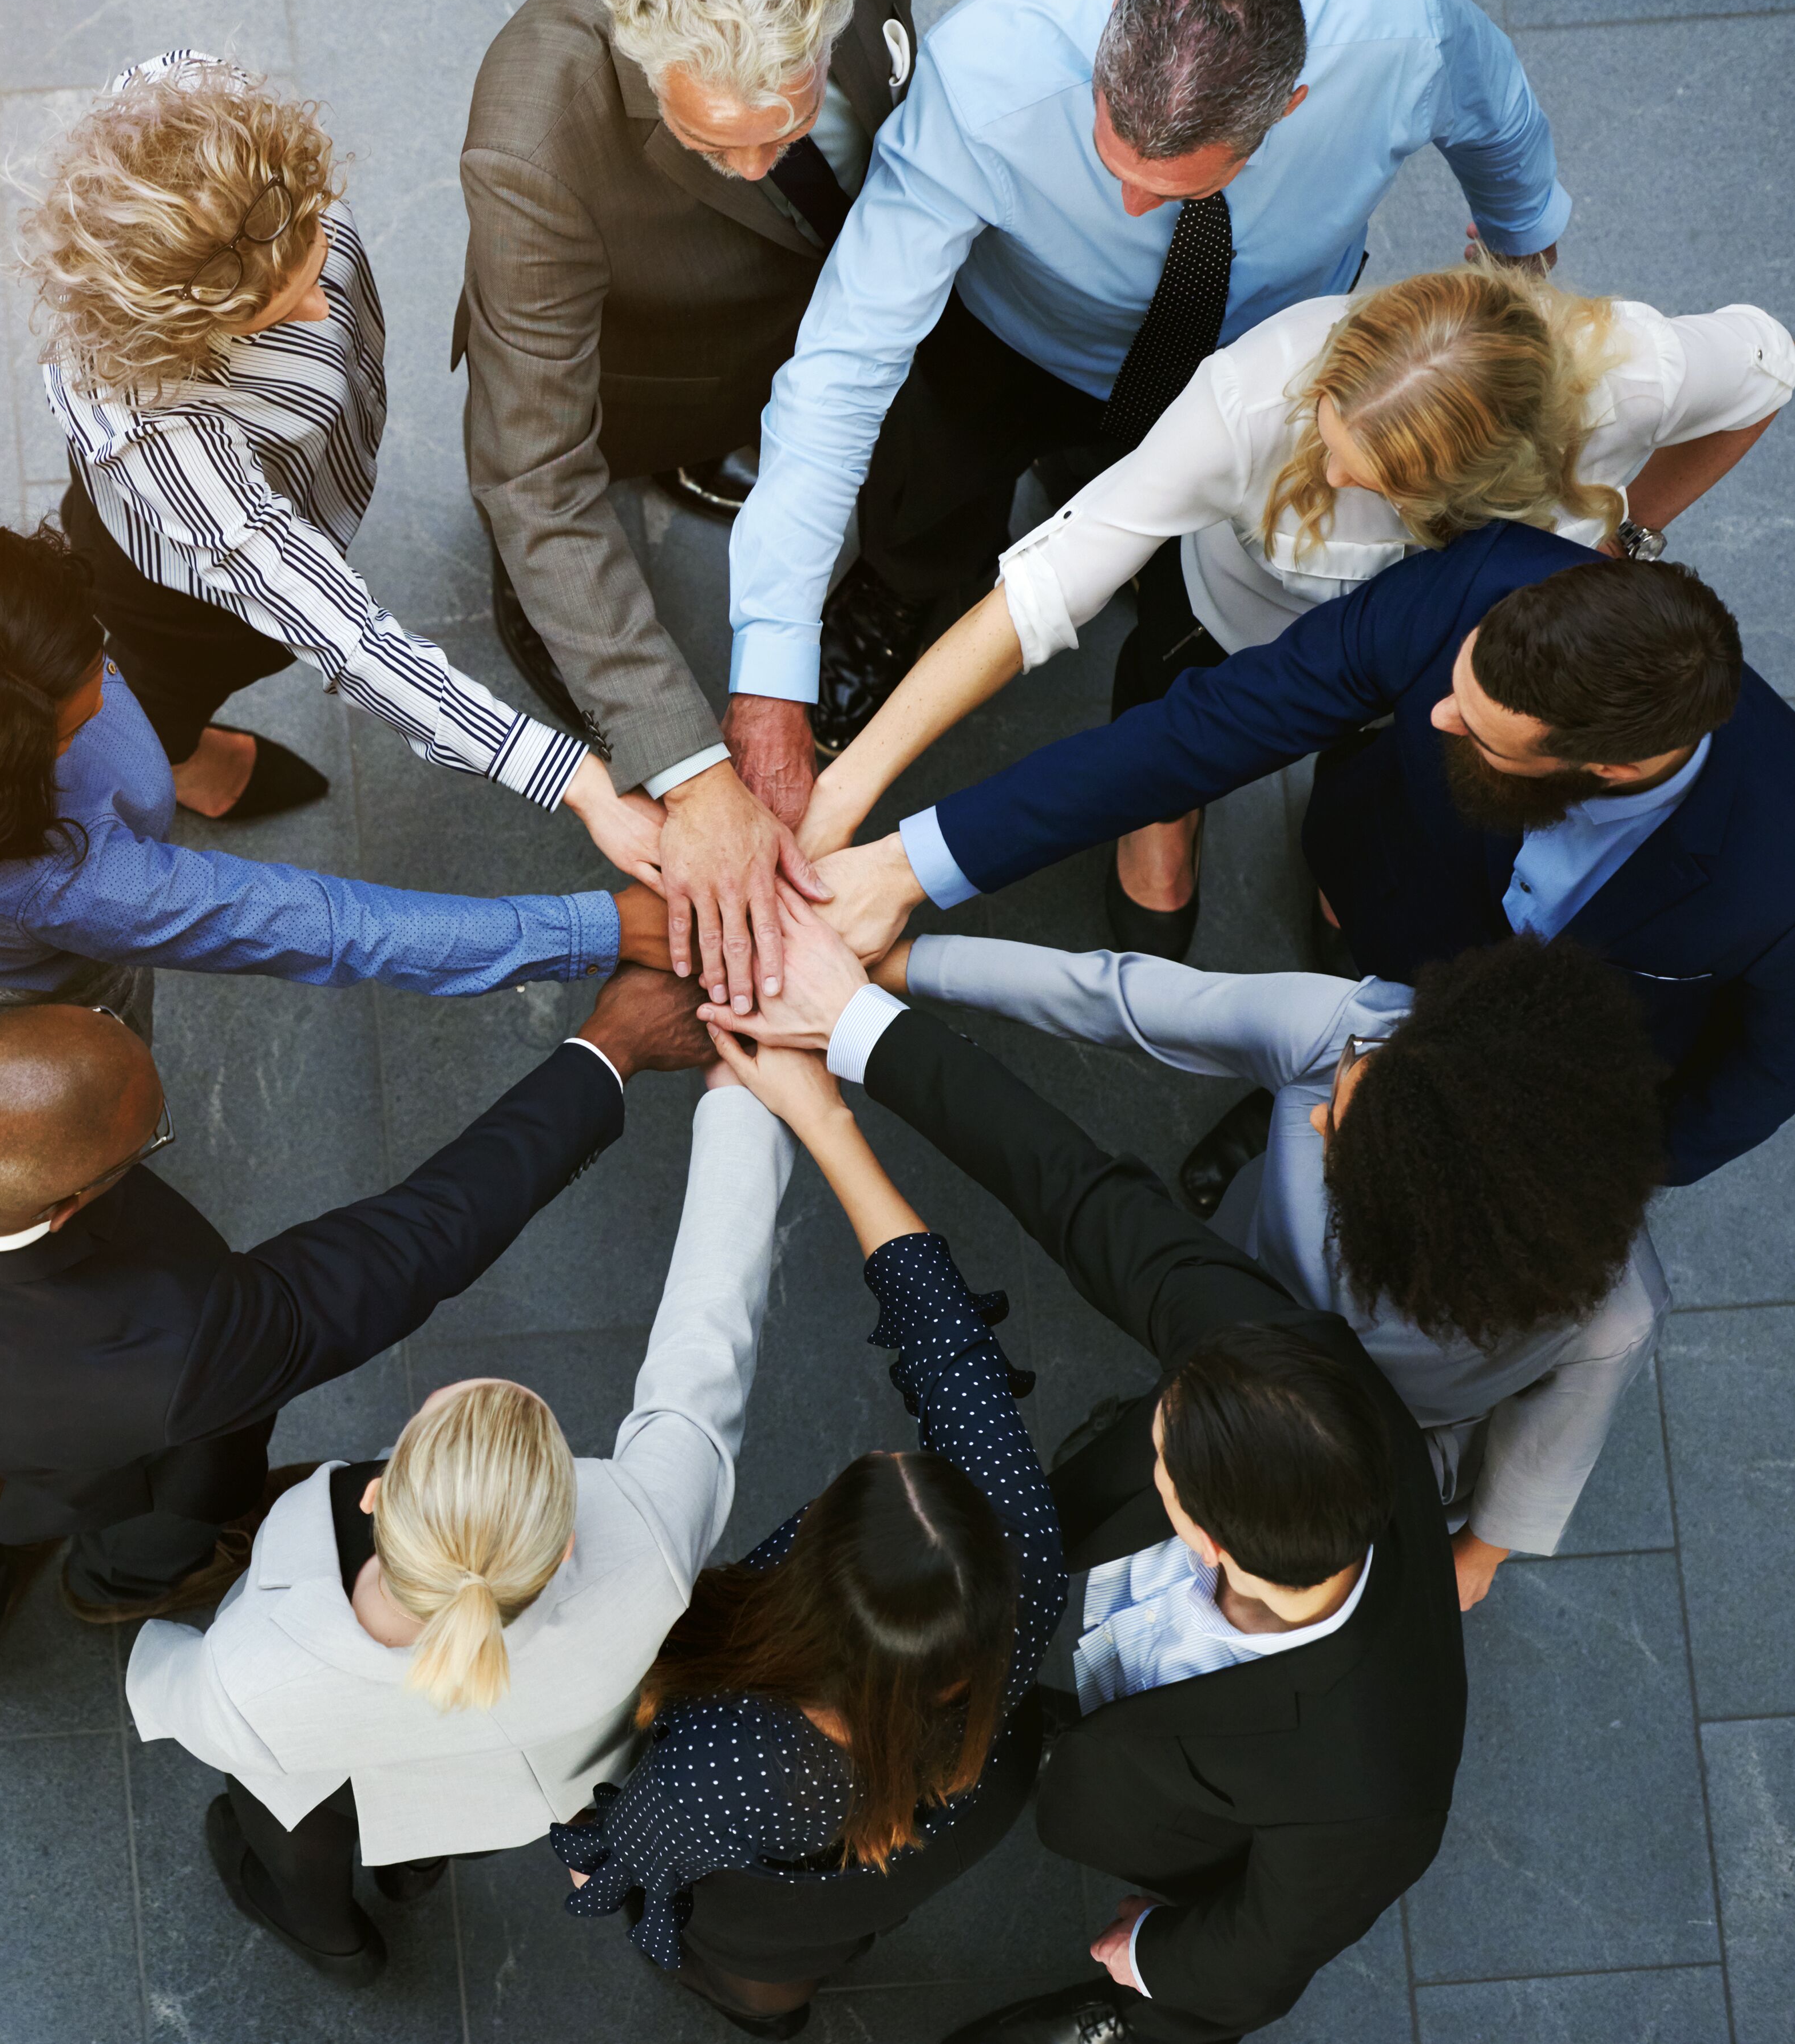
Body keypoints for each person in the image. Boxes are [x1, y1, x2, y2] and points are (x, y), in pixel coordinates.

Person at [706, 906, 1465, 2044]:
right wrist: (855, 1025)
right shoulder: (1297, 1366)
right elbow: (1082, 1194)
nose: (1136, 1426)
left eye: (1154, 1454)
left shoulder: (1368, 1788)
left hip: (1164, 1843)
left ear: (1206, 1538)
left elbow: (1264, 1948)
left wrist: (1151, 1954)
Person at [720, 0, 1572, 863]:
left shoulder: (1403, 25)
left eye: (1166, 191)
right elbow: (842, 365)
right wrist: (769, 667)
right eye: (1114, 166)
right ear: (1103, 58)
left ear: (1287, 106)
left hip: (1263, 353)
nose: (1130, 210)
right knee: (931, 485)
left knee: (1204, 554)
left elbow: (1500, 118)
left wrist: (1521, 251)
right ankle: (904, 589)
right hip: (1016, 333)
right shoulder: (983, 76)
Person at [0, 970, 706, 1693]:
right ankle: (120, 1590)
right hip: (83, 1481)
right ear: (69, 1206)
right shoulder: (176, 1341)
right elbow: (415, 1244)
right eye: (150, 1138)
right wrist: (607, 1049)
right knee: (157, 1524)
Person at [798, 265, 1789, 955]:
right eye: (1328, 444)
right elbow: (1046, 588)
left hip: (1465, 682)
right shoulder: (1250, 398)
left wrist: (1631, 539)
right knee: (1167, 730)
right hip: (1238, 640)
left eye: (1372, 483)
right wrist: (847, 798)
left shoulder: (1630, 372)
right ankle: (1163, 823)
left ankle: (1347, 866)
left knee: (1397, 806)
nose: (1327, 474)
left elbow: (1765, 367)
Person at [817, 529, 1795, 1185]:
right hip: (1388, 877)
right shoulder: (1476, 583)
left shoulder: (1779, 866)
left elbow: (1761, 1075)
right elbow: (1206, 729)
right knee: (1346, 977)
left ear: (1613, 767)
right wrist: (905, 867)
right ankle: (1314, 1095)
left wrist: (1586, 1174)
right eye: (1452, 689)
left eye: (1481, 735)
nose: (1437, 717)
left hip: (1549, 1051)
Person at [125, 1051, 795, 1985]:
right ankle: (415, 1873)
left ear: (371, 1493)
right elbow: (711, 1335)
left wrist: (148, 1667)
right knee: (442, 1820)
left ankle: (331, 1938)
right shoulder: (648, 1539)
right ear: (562, 1541)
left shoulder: (259, 1669)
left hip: (324, 1765)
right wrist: (745, 1109)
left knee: (286, 1835)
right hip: (513, 1790)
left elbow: (187, 1702)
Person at [867, 926, 1667, 1609]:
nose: (1317, 1110)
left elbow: (1530, 1473)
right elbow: (1116, 997)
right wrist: (897, 963)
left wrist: (1454, 1567)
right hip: (1240, 1281)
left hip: (1360, 1441)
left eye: (1347, 1149)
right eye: (1355, 1071)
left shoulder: (1610, 1314)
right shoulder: (1360, 1027)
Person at [0, 487, 671, 1077]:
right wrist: (604, 926)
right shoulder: (69, 879)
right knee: (97, 1089)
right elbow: (335, 928)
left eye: (95, 658)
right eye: (79, 728)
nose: (109, 685)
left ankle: (179, 767)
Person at [18, 50, 657, 884]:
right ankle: (171, 756)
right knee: (173, 679)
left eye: (317, 255)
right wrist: (580, 786)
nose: (321, 310)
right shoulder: (154, 425)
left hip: (302, 483)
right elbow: (345, 637)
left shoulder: (188, 112)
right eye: (273, 316)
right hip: (185, 595)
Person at [552, 1032, 1064, 2039]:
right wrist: (820, 1114)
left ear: (815, 1590)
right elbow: (948, 1349)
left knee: (754, 1969)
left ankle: (760, 2012)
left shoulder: (734, 1756)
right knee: (847, 1930)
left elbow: (626, 1854)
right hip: (966, 1804)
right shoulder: (1021, 1553)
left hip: (774, 1895)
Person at [458, 0, 914, 862]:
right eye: (714, 146)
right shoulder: (533, 133)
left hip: (747, 328)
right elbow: (535, 476)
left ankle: (700, 447)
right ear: (646, 62)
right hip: (630, 357)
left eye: (783, 131)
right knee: (550, 523)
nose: (753, 170)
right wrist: (683, 757)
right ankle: (551, 620)